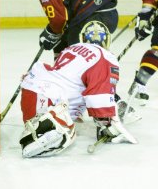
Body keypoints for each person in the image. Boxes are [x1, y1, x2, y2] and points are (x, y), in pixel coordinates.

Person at [19, 21, 137, 158]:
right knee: (65, 133)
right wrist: (107, 124)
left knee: (59, 123)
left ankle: (41, 125)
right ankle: (45, 128)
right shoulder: (107, 57)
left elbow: (69, 81)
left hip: (33, 92)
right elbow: (98, 97)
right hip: (47, 100)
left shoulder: (72, 48)